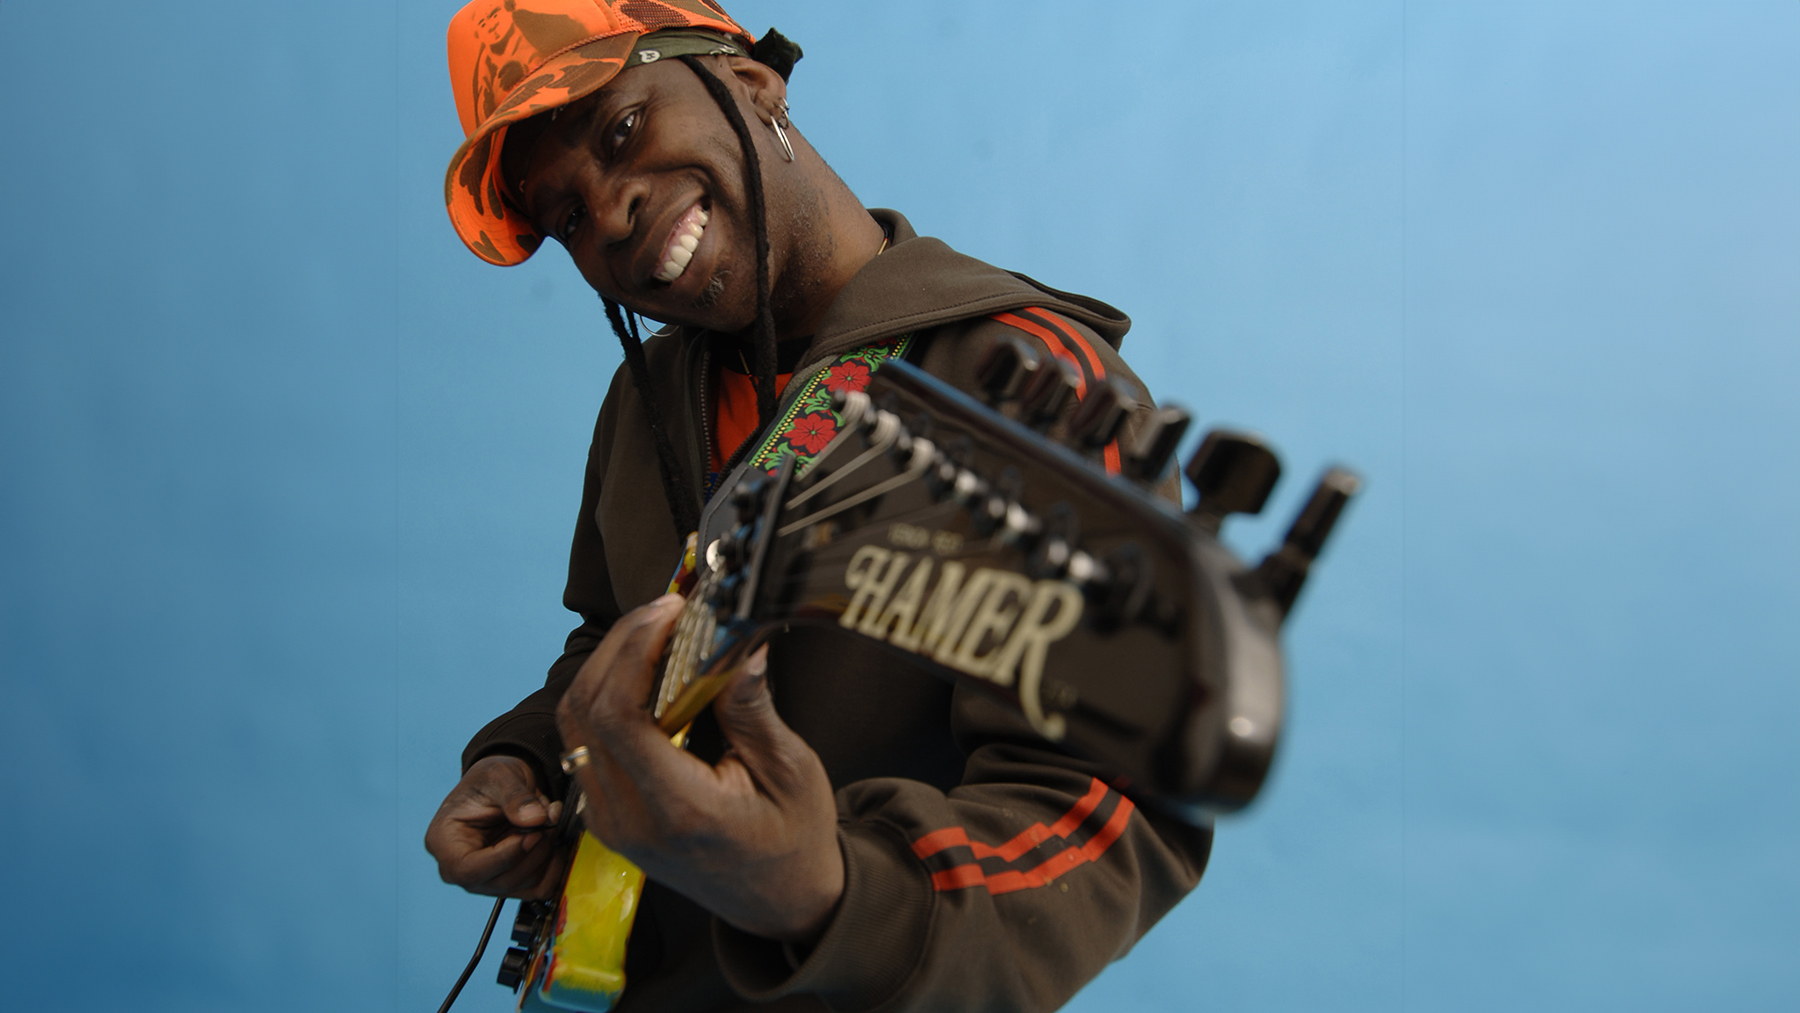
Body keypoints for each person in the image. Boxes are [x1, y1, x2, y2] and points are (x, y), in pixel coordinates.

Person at [422, 3, 1213, 1010]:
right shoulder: (646, 399)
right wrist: (525, 756)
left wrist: (823, 893)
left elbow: (1108, 808)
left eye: (621, 131)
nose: (610, 212)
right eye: (566, 214)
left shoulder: (1029, 387)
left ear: (754, 86)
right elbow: (613, 636)